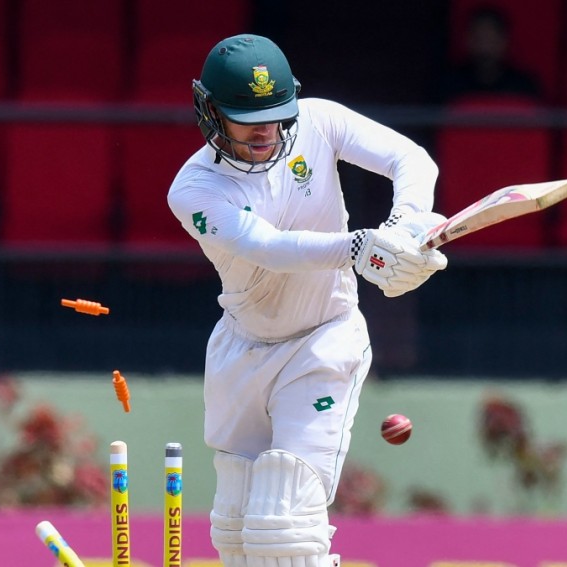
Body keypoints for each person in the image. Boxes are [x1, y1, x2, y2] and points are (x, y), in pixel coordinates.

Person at [167, 34, 448, 567]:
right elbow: (266, 247)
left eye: (276, 116)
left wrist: (406, 223)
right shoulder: (194, 189)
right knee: (235, 535)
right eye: (248, 120)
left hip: (324, 339)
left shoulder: (318, 121)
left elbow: (410, 159)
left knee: (282, 531)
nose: (266, 133)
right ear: (210, 112)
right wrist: (362, 247)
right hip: (241, 350)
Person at [439, 5, 543, 103]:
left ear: (504, 41)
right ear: (467, 39)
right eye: (479, 37)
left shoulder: (523, 86)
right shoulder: (449, 84)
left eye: (490, 38)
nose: (485, 46)